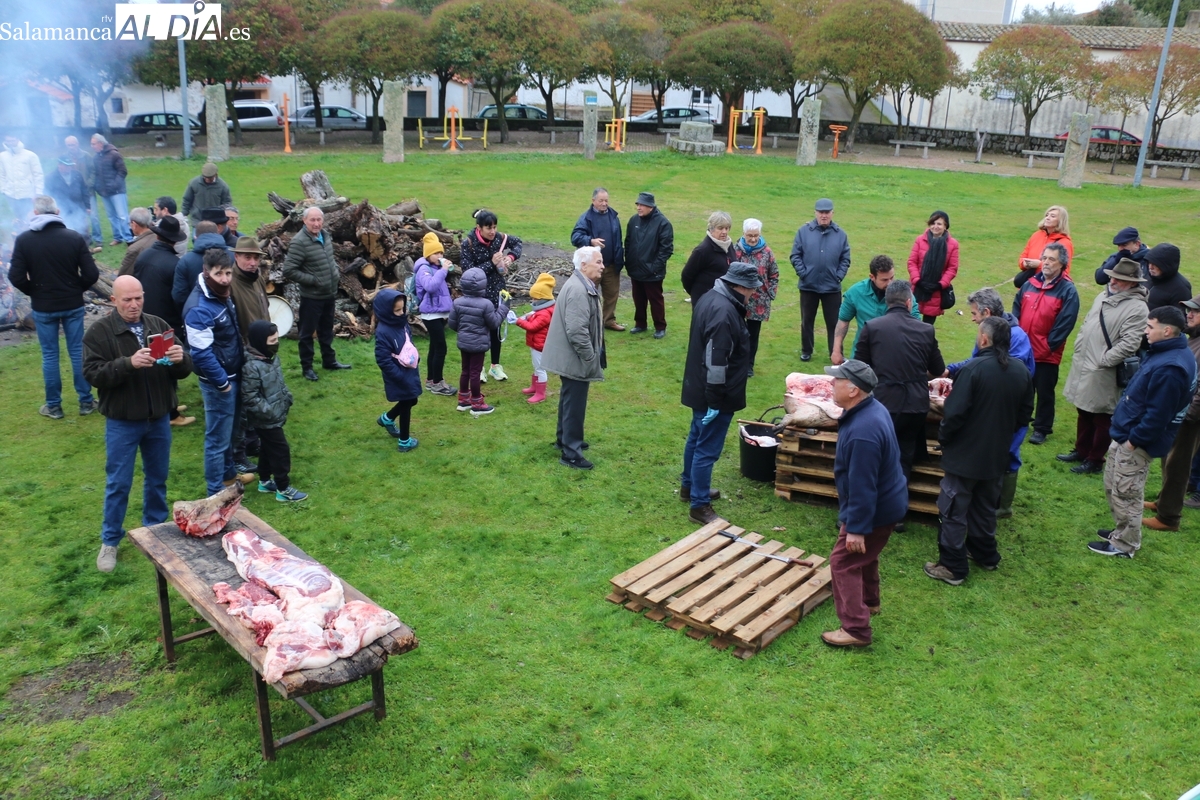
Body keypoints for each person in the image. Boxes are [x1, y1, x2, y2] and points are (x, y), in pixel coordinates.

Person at [83, 275, 192, 572]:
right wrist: (128, 364)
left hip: (158, 419)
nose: (134, 305)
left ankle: (155, 532)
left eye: (138, 298)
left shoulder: (158, 325)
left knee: (157, 478)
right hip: (122, 421)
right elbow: (92, 374)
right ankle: (110, 541)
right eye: (127, 300)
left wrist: (181, 358)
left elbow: (183, 370)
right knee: (119, 483)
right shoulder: (99, 332)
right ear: (113, 300)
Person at [925, 317, 1034, 585]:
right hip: (996, 456)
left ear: (984, 339)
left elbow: (954, 413)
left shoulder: (973, 369)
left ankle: (952, 566)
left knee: (952, 509)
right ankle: (985, 554)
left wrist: (946, 440)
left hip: (964, 457)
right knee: (985, 507)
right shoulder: (1021, 371)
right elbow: (1024, 415)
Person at [1090, 306, 1197, 558]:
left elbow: (1158, 415)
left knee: (1127, 492)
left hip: (1136, 441)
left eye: (1150, 327)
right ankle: (1122, 531)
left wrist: (1133, 441)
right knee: (1114, 485)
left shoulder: (1171, 367)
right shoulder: (1167, 351)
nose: (1145, 331)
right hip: (1126, 434)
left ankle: (1125, 545)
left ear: (1167, 330)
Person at [820, 359, 907, 648]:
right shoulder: (871, 409)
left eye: (836, 381)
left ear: (854, 389)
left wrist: (856, 527)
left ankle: (856, 629)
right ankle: (869, 602)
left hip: (876, 508)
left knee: (843, 562)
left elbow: (862, 486)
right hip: (887, 503)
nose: (831, 385)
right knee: (864, 554)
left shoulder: (863, 433)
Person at [679, 262, 761, 523]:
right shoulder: (724, 313)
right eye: (751, 290)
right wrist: (715, 399)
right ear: (739, 286)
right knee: (707, 448)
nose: (752, 294)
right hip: (715, 392)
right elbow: (717, 361)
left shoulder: (710, 297)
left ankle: (688, 487)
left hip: (698, 386)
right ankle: (699, 506)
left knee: (695, 437)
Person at [945, 288, 1036, 519]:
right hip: (993, 407)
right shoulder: (989, 333)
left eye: (975, 313)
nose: (973, 318)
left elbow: (1004, 371)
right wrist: (952, 369)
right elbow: (978, 361)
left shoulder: (1017, 337)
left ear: (986, 312)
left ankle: (1002, 507)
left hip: (1007, 409)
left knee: (1008, 452)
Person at [8, 195, 98, 419]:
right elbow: (92, 274)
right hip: (72, 304)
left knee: (50, 356)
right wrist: (76, 289)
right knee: (77, 352)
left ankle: (54, 407)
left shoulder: (25, 240)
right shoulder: (73, 238)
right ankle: (86, 402)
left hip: (44, 306)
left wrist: (34, 291)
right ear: (57, 212)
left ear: (36, 213)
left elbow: (16, 277)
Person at [1059, 259, 1149, 474]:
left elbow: (1130, 342)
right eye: (1113, 276)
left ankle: (1095, 459)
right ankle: (1081, 450)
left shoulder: (1138, 308)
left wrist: (1104, 360)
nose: (1113, 281)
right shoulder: (1103, 296)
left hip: (1104, 369)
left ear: (1131, 282)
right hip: (1086, 363)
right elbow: (1087, 324)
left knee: (1102, 415)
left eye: (1119, 279)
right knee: (1084, 409)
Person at [854, 280, 945, 480]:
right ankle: (897, 504)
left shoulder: (872, 327)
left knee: (878, 455)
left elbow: (859, 369)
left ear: (887, 303)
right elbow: (938, 370)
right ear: (908, 303)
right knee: (904, 457)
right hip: (915, 405)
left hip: (883, 403)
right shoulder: (926, 330)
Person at [183, 248, 251, 495]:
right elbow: (201, 353)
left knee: (230, 433)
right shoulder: (198, 308)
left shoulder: (222, 294)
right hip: (218, 383)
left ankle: (229, 476)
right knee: (217, 440)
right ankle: (215, 493)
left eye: (228, 273)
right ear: (206, 272)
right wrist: (222, 383)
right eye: (218, 273)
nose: (224, 278)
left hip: (233, 374)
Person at [542, 247, 606, 470]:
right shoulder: (579, 290)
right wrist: (590, 357)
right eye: (598, 262)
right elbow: (577, 331)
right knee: (575, 403)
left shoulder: (581, 284)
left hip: (571, 355)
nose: (602, 266)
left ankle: (565, 439)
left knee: (569, 400)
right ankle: (571, 452)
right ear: (584, 265)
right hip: (575, 357)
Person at [1012, 242, 1080, 445]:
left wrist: (1048, 346)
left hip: (1047, 353)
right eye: (1045, 258)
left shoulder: (1067, 290)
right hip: (1024, 349)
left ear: (1062, 264)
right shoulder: (1029, 283)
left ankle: (1041, 428)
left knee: (1045, 392)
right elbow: (1016, 309)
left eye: (1052, 259)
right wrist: (1017, 336)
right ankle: (1020, 420)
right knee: (1023, 388)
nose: (1047, 263)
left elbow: (1065, 323)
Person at [1144, 296, 1200, 532]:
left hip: (1190, 417)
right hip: (1181, 413)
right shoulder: (1193, 339)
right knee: (1169, 460)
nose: (1189, 314)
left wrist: (1187, 414)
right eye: (1188, 310)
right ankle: (1163, 502)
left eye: (1195, 312)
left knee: (1178, 464)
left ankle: (1169, 518)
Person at [132, 214, 194, 427]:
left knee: (154, 363)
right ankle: (171, 413)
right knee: (168, 364)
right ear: (175, 240)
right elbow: (178, 296)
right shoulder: (175, 263)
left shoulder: (143, 255)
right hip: (167, 322)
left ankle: (169, 404)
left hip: (144, 318)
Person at [283, 206, 350, 381]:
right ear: (304, 221)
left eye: (319, 219)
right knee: (306, 334)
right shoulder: (299, 242)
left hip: (329, 294)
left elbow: (328, 260)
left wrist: (333, 274)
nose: (316, 223)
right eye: (312, 220)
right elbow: (289, 270)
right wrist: (313, 280)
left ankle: (329, 361)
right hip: (311, 297)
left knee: (326, 331)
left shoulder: (325, 236)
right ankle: (307, 368)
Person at [241, 320, 306, 501]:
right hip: (265, 418)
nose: (276, 344)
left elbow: (278, 382)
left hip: (276, 412)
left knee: (268, 448)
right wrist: (269, 412)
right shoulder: (251, 367)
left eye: (277, 339)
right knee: (280, 450)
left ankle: (263, 481)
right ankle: (283, 489)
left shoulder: (271, 358)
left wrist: (287, 397)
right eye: (272, 341)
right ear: (260, 341)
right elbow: (250, 397)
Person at [459, 209, 522, 382]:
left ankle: (495, 366)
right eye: (489, 228)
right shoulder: (469, 244)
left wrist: (510, 257)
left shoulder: (500, 239)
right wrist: (491, 264)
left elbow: (518, 243)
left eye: (494, 227)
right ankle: (478, 369)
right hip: (477, 295)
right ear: (478, 227)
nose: (493, 231)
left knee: (495, 330)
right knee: (479, 332)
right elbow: (468, 272)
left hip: (497, 292)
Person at [228, 236, 271, 471]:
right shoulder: (231, 284)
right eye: (247, 257)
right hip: (245, 353)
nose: (252, 262)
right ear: (236, 257)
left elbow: (263, 308)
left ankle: (253, 443)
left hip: (262, 350)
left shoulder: (257, 279)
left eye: (255, 257)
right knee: (242, 406)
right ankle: (238, 455)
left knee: (257, 400)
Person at [790, 198, 851, 362]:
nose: (824, 215)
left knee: (834, 322)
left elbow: (845, 258)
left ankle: (835, 351)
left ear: (832, 213)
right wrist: (803, 273)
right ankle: (806, 350)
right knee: (807, 320)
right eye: (821, 212)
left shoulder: (841, 235)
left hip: (831, 287)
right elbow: (795, 255)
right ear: (815, 212)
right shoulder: (803, 232)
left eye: (827, 212)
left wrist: (838, 276)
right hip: (808, 286)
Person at [832, 255, 920, 366]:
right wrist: (836, 351)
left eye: (892, 278)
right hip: (863, 356)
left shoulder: (904, 294)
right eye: (884, 280)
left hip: (894, 356)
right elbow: (843, 321)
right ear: (872, 277)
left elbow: (916, 324)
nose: (890, 283)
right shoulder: (855, 292)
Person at [448, 267, 506, 417]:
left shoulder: (457, 302)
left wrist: (464, 331)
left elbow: (452, 324)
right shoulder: (486, 304)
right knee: (475, 372)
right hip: (478, 344)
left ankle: (463, 400)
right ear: (483, 285)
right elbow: (494, 324)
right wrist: (504, 308)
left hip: (464, 342)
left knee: (465, 370)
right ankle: (477, 403)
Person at [373, 288, 424, 451]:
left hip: (409, 368)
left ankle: (387, 419)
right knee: (406, 402)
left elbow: (408, 341)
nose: (401, 313)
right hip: (398, 374)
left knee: (412, 399)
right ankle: (404, 441)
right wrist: (398, 376)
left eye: (402, 309)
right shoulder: (383, 332)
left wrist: (415, 356)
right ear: (386, 311)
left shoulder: (401, 323)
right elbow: (382, 359)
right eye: (397, 311)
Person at [571, 187, 625, 331]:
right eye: (601, 200)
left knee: (612, 295)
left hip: (612, 265)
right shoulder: (586, 218)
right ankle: (588, 323)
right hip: (592, 266)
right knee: (589, 295)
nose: (604, 203)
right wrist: (591, 241)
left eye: (606, 200)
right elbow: (575, 237)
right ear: (593, 201)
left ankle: (608, 321)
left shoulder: (613, 216)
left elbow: (619, 239)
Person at [732, 218, 779, 376]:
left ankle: (748, 365)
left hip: (758, 302)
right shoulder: (735, 250)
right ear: (743, 233)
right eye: (749, 235)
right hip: (737, 300)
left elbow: (774, 274)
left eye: (756, 235)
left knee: (752, 335)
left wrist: (770, 293)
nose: (753, 239)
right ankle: (734, 362)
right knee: (736, 332)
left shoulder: (767, 252)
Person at [624, 191, 674, 339]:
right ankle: (640, 324)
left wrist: (654, 268)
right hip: (635, 270)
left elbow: (666, 250)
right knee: (638, 299)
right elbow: (628, 243)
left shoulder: (663, 224)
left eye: (642, 205)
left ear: (650, 207)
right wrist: (629, 262)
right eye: (637, 204)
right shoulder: (633, 221)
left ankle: (660, 326)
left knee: (655, 300)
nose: (638, 207)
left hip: (652, 272)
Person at [414, 232, 456, 396]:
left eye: (441, 253)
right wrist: (444, 270)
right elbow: (430, 287)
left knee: (434, 347)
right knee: (441, 348)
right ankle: (438, 383)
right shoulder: (423, 269)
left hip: (438, 314)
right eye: (436, 253)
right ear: (428, 254)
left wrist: (443, 269)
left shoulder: (435, 267)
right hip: (430, 315)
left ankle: (431, 380)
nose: (440, 256)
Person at [906, 210, 959, 325]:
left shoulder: (953, 244)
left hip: (936, 291)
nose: (935, 226)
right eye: (933, 223)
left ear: (946, 226)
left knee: (927, 326)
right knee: (911, 322)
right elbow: (912, 262)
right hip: (918, 287)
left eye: (939, 224)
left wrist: (940, 284)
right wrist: (918, 281)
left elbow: (952, 268)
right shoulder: (920, 240)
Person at [514, 273, 556, 404]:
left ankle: (540, 393)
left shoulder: (544, 314)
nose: (533, 301)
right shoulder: (543, 310)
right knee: (536, 366)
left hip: (540, 345)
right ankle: (534, 387)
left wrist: (518, 321)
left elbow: (532, 327)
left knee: (540, 368)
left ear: (542, 298)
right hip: (536, 343)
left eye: (535, 298)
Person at [171, 221, 230, 313]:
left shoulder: (185, 261)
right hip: (229, 313)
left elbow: (179, 296)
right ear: (218, 233)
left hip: (198, 313)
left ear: (196, 237)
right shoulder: (233, 255)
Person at [680, 211, 734, 304]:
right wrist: (695, 294)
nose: (724, 232)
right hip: (705, 300)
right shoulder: (702, 250)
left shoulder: (729, 245)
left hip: (724, 298)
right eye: (720, 228)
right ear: (711, 229)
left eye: (727, 228)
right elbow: (687, 275)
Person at [1014, 205, 1072, 288]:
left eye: (1052, 216)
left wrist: (1040, 265)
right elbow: (1023, 256)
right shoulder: (1036, 235)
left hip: (1048, 288)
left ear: (1060, 221)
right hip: (1028, 287)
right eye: (1047, 215)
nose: (1048, 218)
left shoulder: (1065, 243)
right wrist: (1024, 264)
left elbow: (1064, 271)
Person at [90, 134, 132, 246]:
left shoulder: (114, 154)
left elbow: (122, 171)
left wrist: (114, 185)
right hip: (104, 192)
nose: (92, 146)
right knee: (111, 216)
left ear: (100, 143)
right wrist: (98, 188)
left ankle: (129, 238)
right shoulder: (96, 158)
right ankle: (117, 237)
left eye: (93, 144)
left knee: (122, 216)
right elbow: (97, 175)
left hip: (117, 191)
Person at [64, 135, 103, 249]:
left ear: (78, 144)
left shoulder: (86, 156)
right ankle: (82, 238)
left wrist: (88, 184)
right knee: (77, 216)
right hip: (73, 194)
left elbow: (93, 172)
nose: (71, 147)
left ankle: (98, 239)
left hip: (88, 192)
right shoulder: (65, 157)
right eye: (68, 145)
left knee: (93, 216)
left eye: (73, 144)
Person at [0, 134, 44, 223]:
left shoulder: (30, 155)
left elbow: (38, 175)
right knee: (16, 220)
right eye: (8, 141)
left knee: (29, 218)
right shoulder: (2, 156)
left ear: (18, 139)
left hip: (27, 194)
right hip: (11, 195)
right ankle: (17, 235)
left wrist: (38, 192)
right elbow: (1, 174)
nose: (10, 143)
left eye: (12, 141)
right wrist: (3, 190)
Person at [44, 157, 90, 236]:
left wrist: (88, 206)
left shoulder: (77, 174)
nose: (69, 168)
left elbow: (84, 191)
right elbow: (48, 196)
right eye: (67, 166)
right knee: (66, 231)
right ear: (59, 165)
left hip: (78, 208)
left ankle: (85, 246)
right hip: (62, 210)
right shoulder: (50, 177)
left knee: (83, 230)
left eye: (70, 166)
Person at [182, 162, 232, 227]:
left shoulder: (223, 186)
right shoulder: (194, 183)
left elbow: (227, 203)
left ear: (216, 175)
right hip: (198, 221)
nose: (207, 179)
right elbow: (187, 200)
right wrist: (183, 214)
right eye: (205, 177)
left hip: (215, 223)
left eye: (210, 178)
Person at [1144, 243, 1191, 309]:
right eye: (1149, 262)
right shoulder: (1149, 276)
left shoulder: (1181, 288)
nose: (1150, 267)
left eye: (1155, 264)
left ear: (1166, 266)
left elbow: (1179, 316)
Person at [118, 207, 156, 276]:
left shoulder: (134, 249)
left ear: (134, 225)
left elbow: (124, 274)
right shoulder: (158, 236)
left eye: (130, 223)